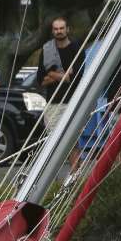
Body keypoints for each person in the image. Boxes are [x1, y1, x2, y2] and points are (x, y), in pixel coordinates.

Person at [41, 17, 83, 171]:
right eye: (56, 29)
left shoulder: (76, 48)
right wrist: (63, 76)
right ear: (52, 31)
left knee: (72, 141)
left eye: (61, 28)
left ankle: (74, 174)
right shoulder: (47, 50)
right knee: (53, 143)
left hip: (72, 102)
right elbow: (41, 80)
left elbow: (76, 76)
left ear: (67, 29)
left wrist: (52, 74)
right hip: (53, 103)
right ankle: (54, 179)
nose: (59, 31)